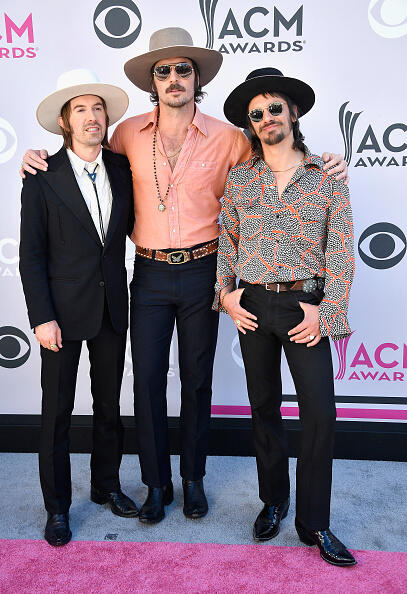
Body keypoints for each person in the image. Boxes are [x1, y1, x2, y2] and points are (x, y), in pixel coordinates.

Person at [20, 29, 349, 525]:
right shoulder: (125, 133)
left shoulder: (231, 138)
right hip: (149, 273)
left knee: (198, 382)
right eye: (164, 71)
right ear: (153, 82)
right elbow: (80, 157)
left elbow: (277, 162)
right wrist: (34, 156)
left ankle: (193, 479)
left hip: (203, 271)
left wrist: (328, 160)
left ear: (197, 78)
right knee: (148, 382)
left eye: (183, 70)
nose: (174, 78)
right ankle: (158, 484)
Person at [215, 68, 356, 566]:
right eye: (256, 114)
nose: (267, 118)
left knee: (320, 413)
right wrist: (226, 296)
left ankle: (314, 522)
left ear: (293, 112)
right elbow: (227, 242)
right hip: (252, 304)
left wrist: (327, 312)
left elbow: (341, 253)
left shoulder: (327, 175)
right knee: (263, 407)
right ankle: (273, 500)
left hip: (305, 306)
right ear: (250, 125)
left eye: (275, 108)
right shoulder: (240, 177)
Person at [19, 69, 138, 547]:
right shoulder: (42, 174)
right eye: (81, 110)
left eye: (97, 108)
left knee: (109, 405)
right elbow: (31, 255)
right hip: (60, 314)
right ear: (65, 122)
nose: (92, 117)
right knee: (57, 414)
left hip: (112, 304)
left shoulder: (122, 167)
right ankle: (57, 508)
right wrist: (41, 317)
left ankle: (106, 485)